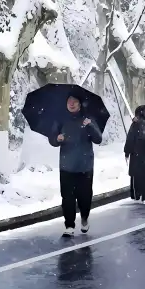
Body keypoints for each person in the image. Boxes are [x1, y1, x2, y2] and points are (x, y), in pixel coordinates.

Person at [49, 94, 103, 238]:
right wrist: (56, 138)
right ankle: (69, 225)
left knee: (85, 197)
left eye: (74, 102)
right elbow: (52, 139)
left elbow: (98, 139)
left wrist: (90, 125)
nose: (71, 104)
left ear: (80, 104)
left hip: (85, 166)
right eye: (69, 102)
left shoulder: (88, 119)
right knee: (67, 197)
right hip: (66, 166)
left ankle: (84, 217)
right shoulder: (61, 120)